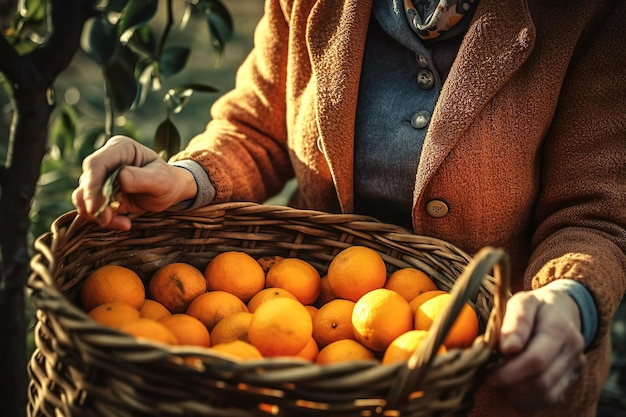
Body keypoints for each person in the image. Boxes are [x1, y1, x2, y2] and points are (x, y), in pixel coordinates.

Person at [72, 0, 626, 416]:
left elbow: (594, 215)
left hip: (487, 376)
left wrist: (566, 299)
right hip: (302, 356)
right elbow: (256, 128)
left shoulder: (587, 14)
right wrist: (184, 177)